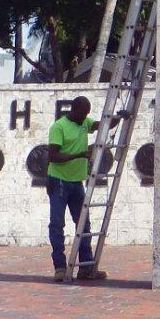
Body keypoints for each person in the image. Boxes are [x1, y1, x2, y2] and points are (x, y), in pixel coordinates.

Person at [46, 97, 105, 283]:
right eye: (83, 113)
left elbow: (100, 125)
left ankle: (86, 268)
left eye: (87, 114)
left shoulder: (84, 122)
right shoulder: (59, 127)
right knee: (57, 224)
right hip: (59, 181)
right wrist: (80, 154)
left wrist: (118, 118)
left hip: (77, 182)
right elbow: (53, 156)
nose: (85, 117)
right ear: (74, 109)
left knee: (83, 225)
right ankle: (60, 268)